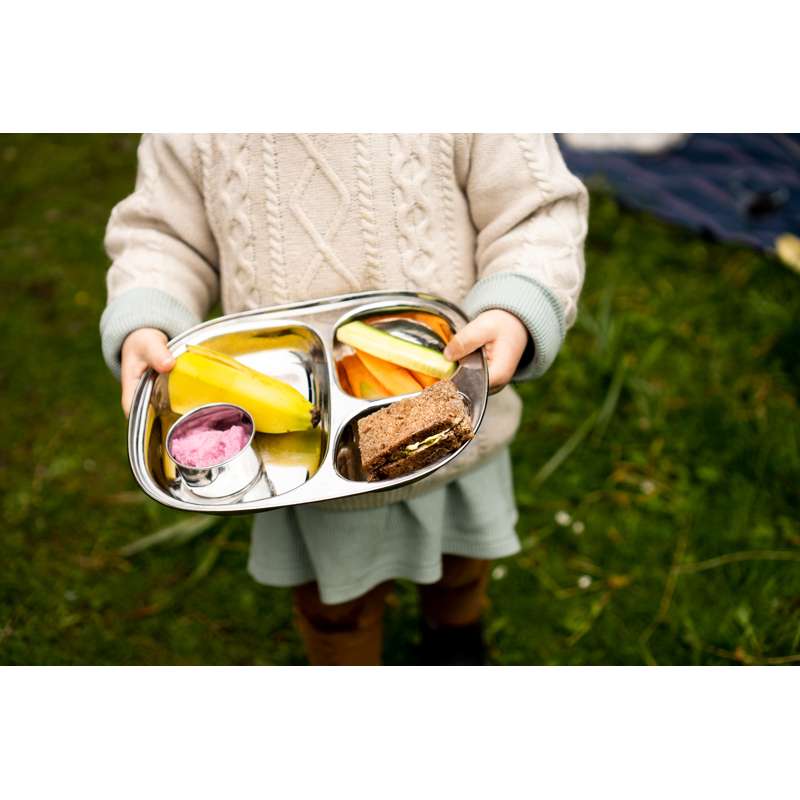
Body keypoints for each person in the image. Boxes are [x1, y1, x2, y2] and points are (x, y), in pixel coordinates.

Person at [100, 134, 588, 665]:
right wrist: (147, 312)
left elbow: (537, 214)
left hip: (455, 432)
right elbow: (162, 235)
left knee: (460, 564)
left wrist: (517, 304)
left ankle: (455, 641)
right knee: (336, 604)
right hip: (311, 463)